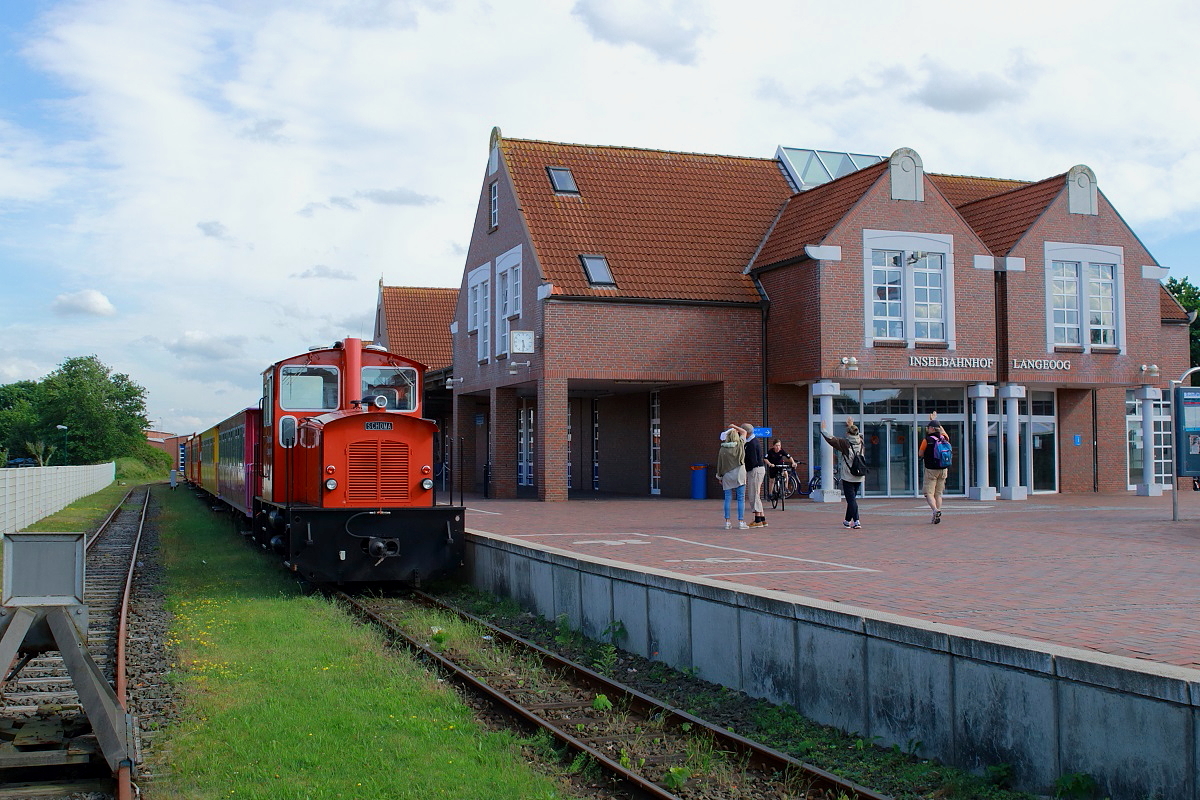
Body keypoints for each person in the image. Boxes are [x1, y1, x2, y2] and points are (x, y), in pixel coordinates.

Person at [819, 417, 865, 529]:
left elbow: (832, 439)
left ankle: (857, 521)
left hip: (848, 475)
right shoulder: (861, 441)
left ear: (848, 433)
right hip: (859, 475)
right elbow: (858, 434)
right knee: (852, 498)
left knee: (851, 500)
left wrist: (823, 430)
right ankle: (847, 520)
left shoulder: (845, 443)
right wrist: (851, 425)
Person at [918, 414, 950, 524]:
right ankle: (938, 511)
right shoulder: (944, 438)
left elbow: (920, 453)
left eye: (928, 427)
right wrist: (935, 421)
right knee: (938, 493)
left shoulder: (926, 440)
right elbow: (943, 431)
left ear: (931, 429)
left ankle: (935, 510)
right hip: (943, 469)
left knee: (928, 493)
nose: (927, 429)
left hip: (931, 470)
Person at [716, 425, 748, 530]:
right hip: (740, 474)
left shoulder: (722, 449)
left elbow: (720, 464)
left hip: (727, 475)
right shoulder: (740, 444)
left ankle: (727, 522)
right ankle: (741, 521)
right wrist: (734, 426)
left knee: (727, 498)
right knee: (740, 499)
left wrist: (719, 476)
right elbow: (744, 432)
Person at [741, 423, 768, 527]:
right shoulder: (753, 441)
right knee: (756, 493)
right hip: (758, 469)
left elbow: (752, 460)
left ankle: (757, 520)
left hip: (755, 470)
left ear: (746, 433)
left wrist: (745, 468)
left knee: (754, 494)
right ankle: (762, 518)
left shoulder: (751, 443)